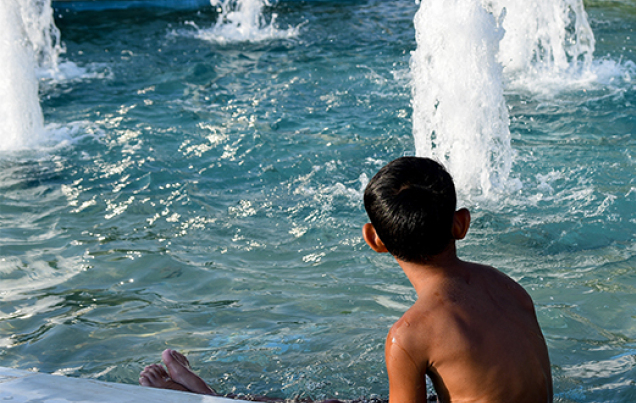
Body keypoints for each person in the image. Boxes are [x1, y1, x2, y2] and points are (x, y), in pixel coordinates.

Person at [141, 156, 553, 403]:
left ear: (374, 239)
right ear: (461, 223)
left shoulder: (410, 335)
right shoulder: (509, 287)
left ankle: (209, 400)